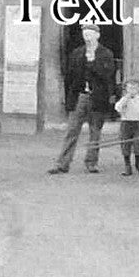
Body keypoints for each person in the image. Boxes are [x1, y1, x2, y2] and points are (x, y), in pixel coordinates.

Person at [49, 21, 116, 174]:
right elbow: (70, 77)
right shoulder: (77, 53)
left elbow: (107, 76)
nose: (87, 36)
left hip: (97, 97)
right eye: (85, 34)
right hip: (80, 96)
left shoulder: (106, 54)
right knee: (72, 130)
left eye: (90, 33)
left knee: (95, 132)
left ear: (97, 35)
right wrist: (69, 99)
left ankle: (91, 163)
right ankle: (62, 163)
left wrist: (92, 62)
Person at [114, 79, 139, 177]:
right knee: (125, 144)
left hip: (138, 123)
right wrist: (126, 98)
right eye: (130, 88)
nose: (132, 90)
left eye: (135, 88)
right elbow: (118, 108)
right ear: (125, 89)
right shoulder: (124, 99)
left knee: (138, 144)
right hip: (126, 123)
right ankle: (127, 165)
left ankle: (138, 163)